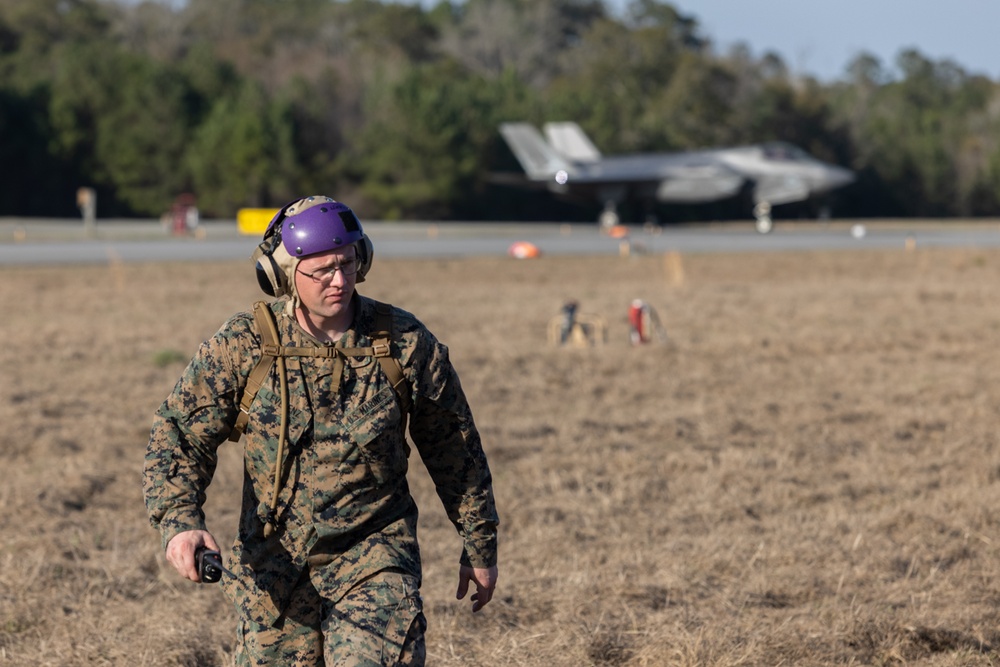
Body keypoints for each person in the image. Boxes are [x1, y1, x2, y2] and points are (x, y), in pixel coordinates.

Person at [143, 196, 499, 666]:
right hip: (273, 567)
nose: (340, 281)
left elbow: (456, 450)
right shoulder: (244, 345)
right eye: (323, 270)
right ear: (284, 273)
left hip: (375, 557)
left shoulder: (404, 343)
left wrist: (479, 545)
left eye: (348, 264)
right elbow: (179, 437)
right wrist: (180, 522)